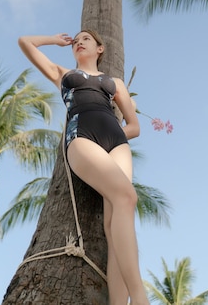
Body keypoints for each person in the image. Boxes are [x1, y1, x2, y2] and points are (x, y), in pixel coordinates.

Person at [18, 30, 150, 305]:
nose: (79, 42)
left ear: (100, 48)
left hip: (116, 142)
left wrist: (115, 134)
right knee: (127, 196)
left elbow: (135, 126)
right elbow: (25, 43)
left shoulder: (114, 83)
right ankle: (140, 298)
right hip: (81, 137)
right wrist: (55, 40)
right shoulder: (63, 75)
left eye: (86, 39)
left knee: (114, 222)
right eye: (76, 40)